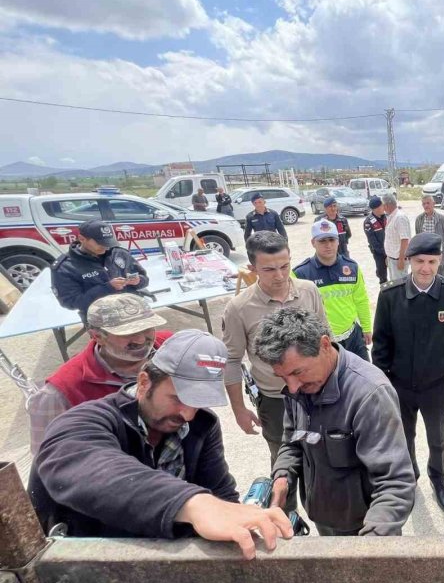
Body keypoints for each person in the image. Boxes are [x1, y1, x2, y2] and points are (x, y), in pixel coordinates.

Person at [29, 330, 293, 559]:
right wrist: (193, 504)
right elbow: (92, 469)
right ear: (144, 382)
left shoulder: (201, 424)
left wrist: (241, 519)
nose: (187, 414)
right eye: (178, 398)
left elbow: (219, 491)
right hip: (90, 565)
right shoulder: (86, 420)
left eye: (197, 402)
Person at [254, 308, 416, 536]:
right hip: (323, 516)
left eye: (298, 372)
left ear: (324, 345)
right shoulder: (302, 386)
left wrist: (374, 544)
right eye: (283, 377)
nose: (292, 387)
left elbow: (395, 483)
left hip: (364, 527)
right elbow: (293, 441)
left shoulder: (370, 395)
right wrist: (282, 477)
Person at [221, 232, 328, 513]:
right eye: (269, 269)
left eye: (284, 266)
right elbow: (232, 360)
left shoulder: (308, 291)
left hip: (317, 391)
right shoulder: (239, 308)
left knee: (325, 456)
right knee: (283, 463)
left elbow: (325, 338)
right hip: (275, 399)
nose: (279, 276)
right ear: (253, 268)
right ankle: (286, 519)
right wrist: (239, 409)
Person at [372, 233, 444, 513]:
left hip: (436, 386)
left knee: (437, 438)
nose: (425, 268)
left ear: (441, 261)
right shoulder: (390, 295)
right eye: (419, 261)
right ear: (408, 261)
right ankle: (409, 478)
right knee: (404, 437)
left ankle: (438, 479)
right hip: (399, 385)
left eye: (432, 261)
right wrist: (382, 386)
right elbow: (381, 346)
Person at [26, 293, 171, 454]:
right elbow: (48, 456)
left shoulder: (174, 346)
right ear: (97, 337)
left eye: (147, 328)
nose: (141, 339)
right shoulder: (60, 392)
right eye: (127, 333)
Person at [292, 220, 372, 361]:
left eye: (331, 240)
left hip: (353, 337)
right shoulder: (300, 274)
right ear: (313, 243)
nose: (328, 245)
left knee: (365, 378)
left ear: (338, 241)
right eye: (322, 241)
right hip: (323, 343)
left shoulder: (352, 268)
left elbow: (361, 299)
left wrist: (366, 327)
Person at [51, 218, 149, 321]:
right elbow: (70, 303)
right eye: (100, 243)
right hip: (101, 318)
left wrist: (138, 281)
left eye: (108, 242)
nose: (106, 247)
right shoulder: (66, 267)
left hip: (133, 309)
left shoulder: (119, 253)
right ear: (82, 239)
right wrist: (107, 288)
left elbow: (144, 280)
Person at [415, 194, 444, 277]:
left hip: (439, 256)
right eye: (424, 204)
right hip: (424, 256)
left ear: (433, 203)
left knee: (442, 280)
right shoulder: (419, 219)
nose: (426, 206)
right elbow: (418, 238)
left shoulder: (443, 219)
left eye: (428, 203)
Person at [383, 194, 411, 281]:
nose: (383, 208)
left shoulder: (400, 218)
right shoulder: (391, 217)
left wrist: (401, 259)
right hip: (392, 259)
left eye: (383, 205)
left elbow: (405, 240)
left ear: (387, 205)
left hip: (398, 259)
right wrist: (388, 256)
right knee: (394, 286)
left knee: (400, 287)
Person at [363, 196, 388, 284]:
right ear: (376, 208)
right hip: (379, 253)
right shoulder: (368, 222)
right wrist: (385, 254)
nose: (384, 207)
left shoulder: (386, 217)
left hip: (390, 251)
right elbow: (373, 242)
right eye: (382, 205)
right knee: (382, 275)